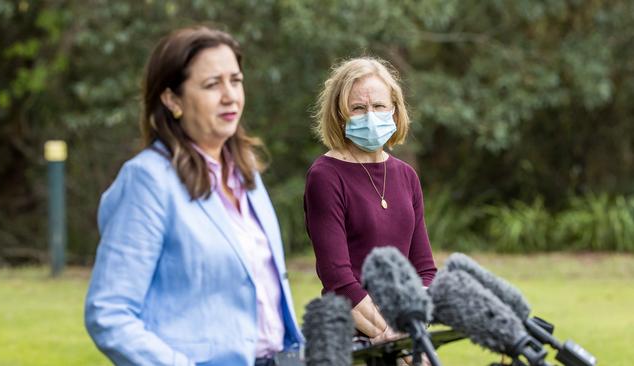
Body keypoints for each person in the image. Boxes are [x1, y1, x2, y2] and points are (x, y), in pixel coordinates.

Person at [84, 26, 303, 366]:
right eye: (212, 84)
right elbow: (108, 314)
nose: (230, 95)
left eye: (236, 80)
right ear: (172, 99)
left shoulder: (247, 175)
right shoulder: (148, 180)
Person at [304, 57, 438, 345]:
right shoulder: (325, 176)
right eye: (358, 108)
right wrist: (391, 337)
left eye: (378, 106)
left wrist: (413, 327)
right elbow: (337, 278)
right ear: (341, 116)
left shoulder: (406, 176)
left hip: (406, 331)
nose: (370, 116)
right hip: (351, 337)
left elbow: (425, 269)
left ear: (395, 110)